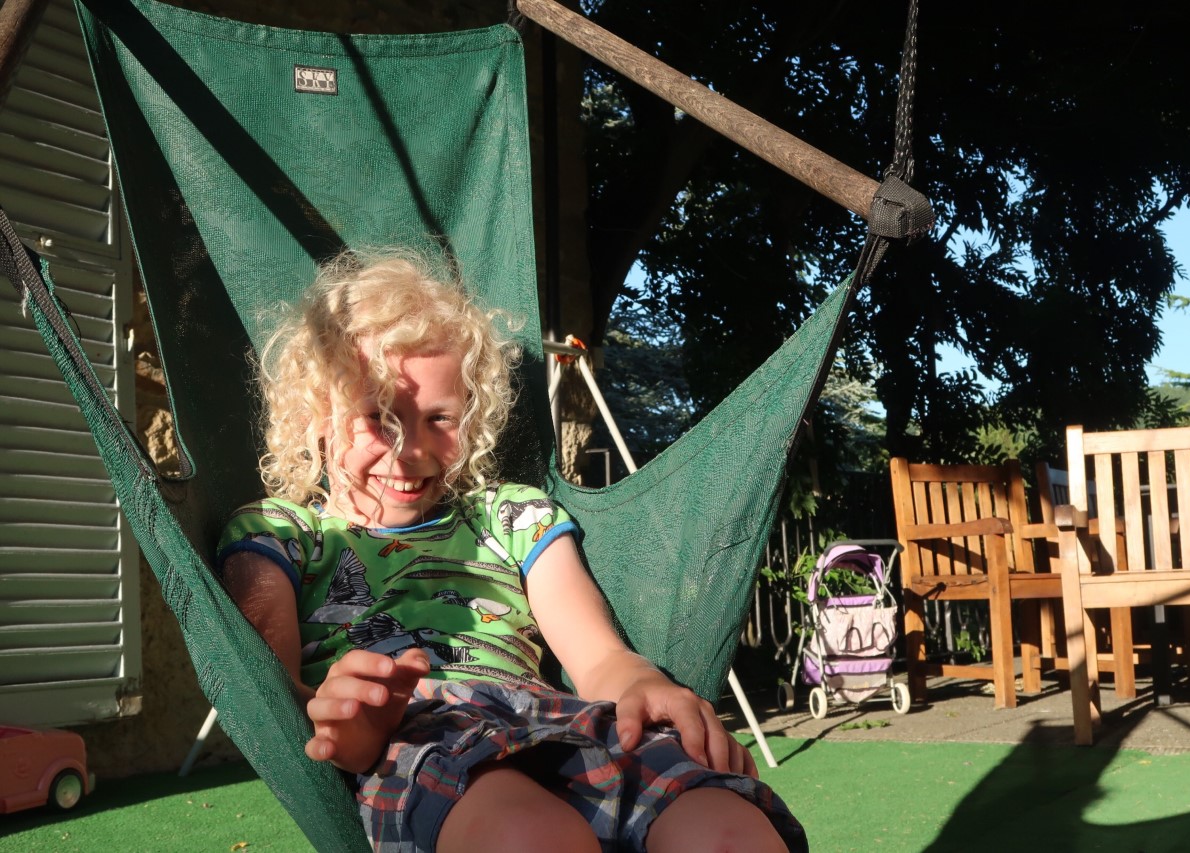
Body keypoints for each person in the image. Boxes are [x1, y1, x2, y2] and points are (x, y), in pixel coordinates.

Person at [216, 248, 806, 853]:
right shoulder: (278, 534)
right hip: (416, 738)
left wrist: (640, 680)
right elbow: (271, 697)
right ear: (317, 414)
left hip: (560, 721)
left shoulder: (510, 517)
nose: (410, 449)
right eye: (379, 418)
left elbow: (598, 658)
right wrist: (350, 728)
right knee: (529, 836)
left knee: (726, 830)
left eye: (440, 418)